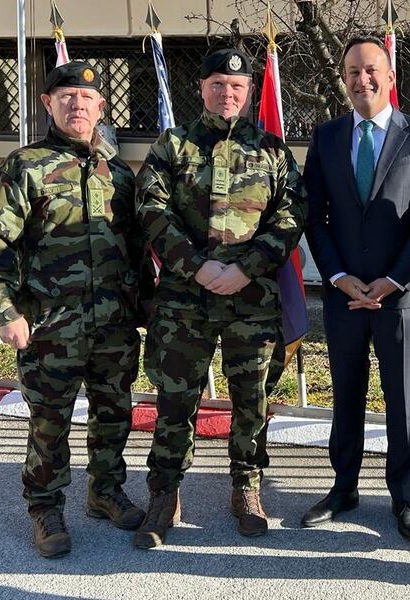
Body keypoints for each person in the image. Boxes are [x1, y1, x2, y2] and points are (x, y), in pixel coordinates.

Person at [133, 48, 307, 548]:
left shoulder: (272, 151)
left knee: (252, 399)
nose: (226, 93)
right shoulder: (173, 145)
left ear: (248, 92)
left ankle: (246, 487)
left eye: (236, 86)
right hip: (184, 300)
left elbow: (291, 216)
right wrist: (197, 266)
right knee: (175, 399)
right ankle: (164, 493)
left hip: (251, 297)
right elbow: (152, 209)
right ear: (202, 88)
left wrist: (245, 268)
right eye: (217, 84)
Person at [0, 62, 152, 558]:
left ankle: (105, 492)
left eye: (86, 98)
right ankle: (45, 507)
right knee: (49, 422)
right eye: (67, 96)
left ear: (101, 107)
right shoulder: (25, 166)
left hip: (114, 324)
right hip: (50, 327)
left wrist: (147, 309)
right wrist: (5, 311)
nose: (78, 105)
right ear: (48, 104)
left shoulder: (118, 173)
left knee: (113, 414)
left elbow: (137, 249)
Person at [302, 36, 410, 541]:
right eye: (352, 72)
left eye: (370, 71)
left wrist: (392, 280)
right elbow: (314, 216)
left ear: (389, 77)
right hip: (344, 294)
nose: (361, 79)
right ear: (344, 79)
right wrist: (338, 276)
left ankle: (403, 496)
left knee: (400, 401)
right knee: (345, 394)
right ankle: (343, 488)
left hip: (399, 297)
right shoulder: (326, 137)